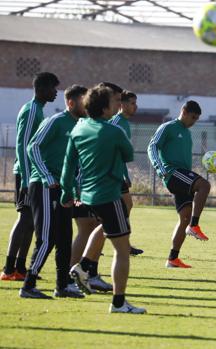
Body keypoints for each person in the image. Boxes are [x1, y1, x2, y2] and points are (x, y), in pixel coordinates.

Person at [62, 85, 145, 313]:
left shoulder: (79, 127)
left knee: (103, 229)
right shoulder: (113, 131)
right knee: (121, 248)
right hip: (109, 194)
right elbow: (128, 154)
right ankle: (118, 303)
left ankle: (85, 266)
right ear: (104, 106)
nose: (118, 105)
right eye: (114, 101)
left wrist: (66, 193)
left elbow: (68, 164)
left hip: (88, 196)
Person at [19, 84, 88, 299]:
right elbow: (33, 147)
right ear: (71, 103)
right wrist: (47, 176)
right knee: (46, 238)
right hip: (43, 186)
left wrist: (75, 188)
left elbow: (77, 162)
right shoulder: (56, 121)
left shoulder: (81, 126)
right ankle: (28, 286)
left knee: (65, 238)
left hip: (63, 190)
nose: (87, 105)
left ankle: (62, 286)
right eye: (83, 101)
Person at [1, 72, 58, 282]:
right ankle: (8, 268)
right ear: (42, 88)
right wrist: (25, 179)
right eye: (53, 88)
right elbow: (23, 145)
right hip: (25, 174)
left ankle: (20, 268)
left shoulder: (39, 110)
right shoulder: (32, 110)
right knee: (24, 219)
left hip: (31, 174)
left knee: (31, 221)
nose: (56, 92)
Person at [70, 82, 123, 293]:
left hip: (95, 187)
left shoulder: (105, 124)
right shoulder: (89, 124)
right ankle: (71, 277)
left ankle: (89, 274)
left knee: (96, 228)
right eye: (116, 100)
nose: (119, 105)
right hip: (89, 187)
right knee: (87, 229)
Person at [148, 101, 212, 268]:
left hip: (182, 176)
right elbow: (152, 146)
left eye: (197, 119)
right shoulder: (168, 127)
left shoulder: (186, 132)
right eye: (193, 117)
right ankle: (195, 224)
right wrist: (160, 168)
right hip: (172, 173)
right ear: (184, 111)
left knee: (184, 217)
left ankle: (172, 259)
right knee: (204, 186)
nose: (194, 121)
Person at [110, 90, 144, 257]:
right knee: (116, 208)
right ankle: (121, 243)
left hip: (118, 172)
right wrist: (122, 175)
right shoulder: (116, 122)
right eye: (132, 103)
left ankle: (124, 243)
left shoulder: (124, 122)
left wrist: (126, 174)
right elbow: (113, 150)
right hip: (111, 173)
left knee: (125, 206)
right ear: (122, 105)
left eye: (135, 103)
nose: (135, 106)